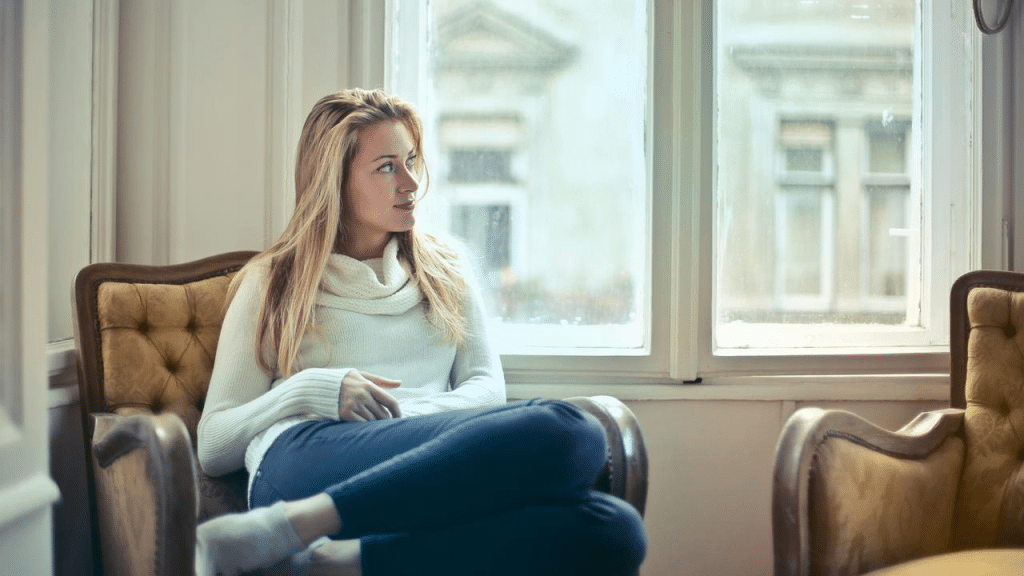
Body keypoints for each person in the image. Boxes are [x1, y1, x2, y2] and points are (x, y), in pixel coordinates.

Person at [194, 88, 646, 576]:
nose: (410, 182)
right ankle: (288, 523)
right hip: (304, 458)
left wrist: (402, 415)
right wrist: (313, 389)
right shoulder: (273, 282)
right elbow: (215, 445)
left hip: (425, 457)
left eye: (410, 160)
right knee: (571, 429)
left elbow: (487, 390)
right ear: (335, 182)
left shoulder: (445, 269)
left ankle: (325, 561)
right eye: (387, 167)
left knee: (613, 527)